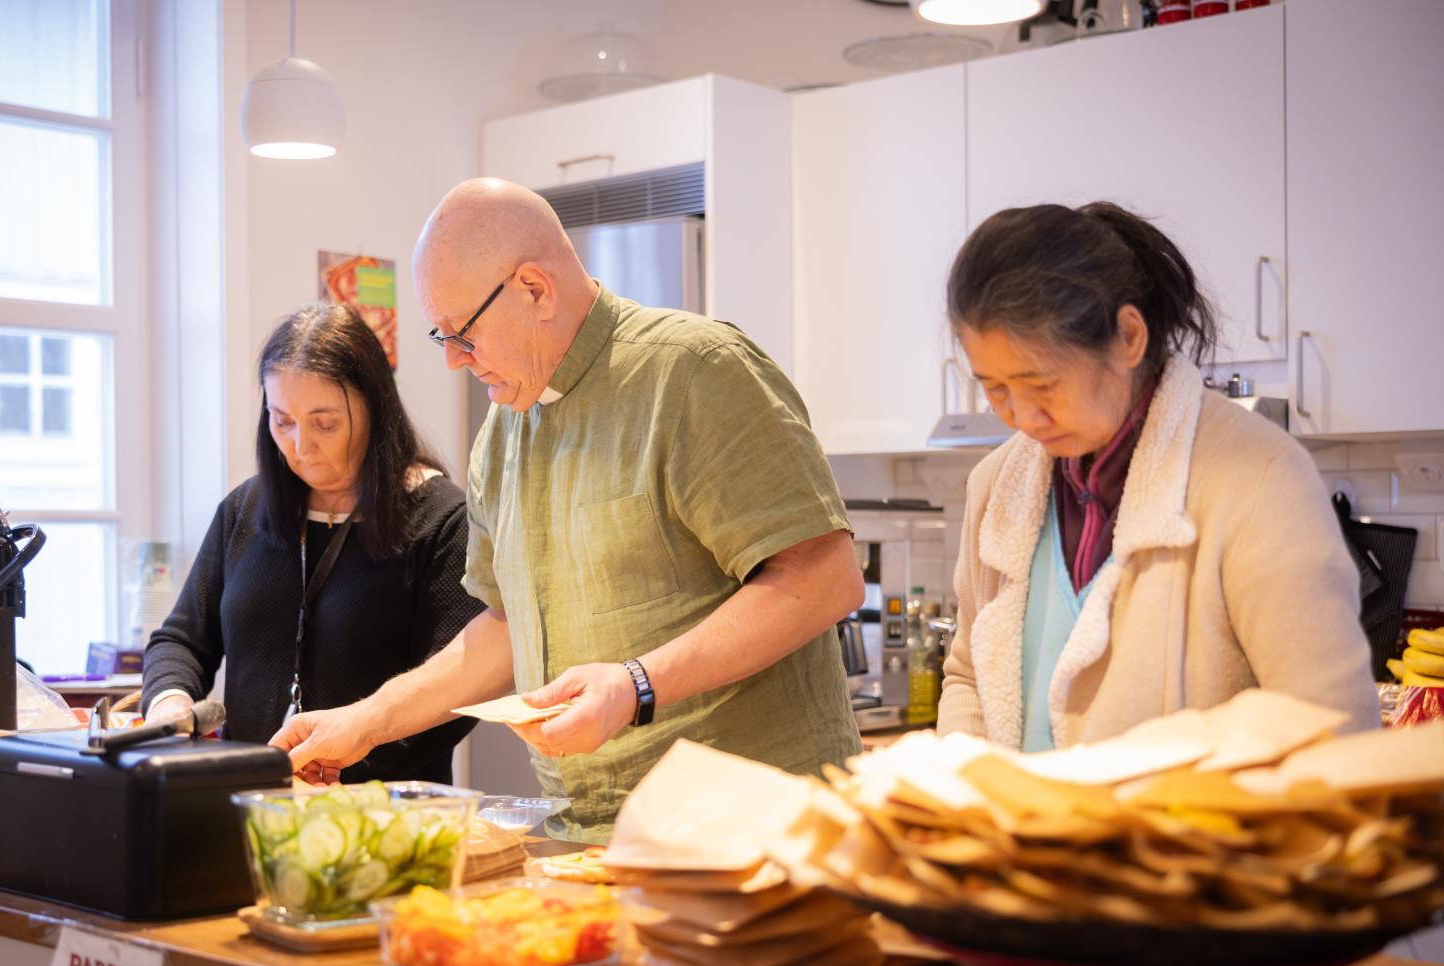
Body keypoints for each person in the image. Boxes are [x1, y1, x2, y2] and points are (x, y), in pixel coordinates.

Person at [270, 178, 864, 840]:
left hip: (753, 826)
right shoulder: (503, 435)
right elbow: (503, 626)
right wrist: (366, 721)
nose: (454, 362)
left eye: (463, 333)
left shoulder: (696, 371)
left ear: (534, 289)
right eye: (443, 337)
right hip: (586, 837)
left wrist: (636, 684)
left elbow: (823, 578)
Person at [937, 201, 1379, 750]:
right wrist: (967, 793)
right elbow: (969, 679)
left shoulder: (1259, 479)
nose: (1023, 419)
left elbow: (1332, 729)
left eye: (1043, 385)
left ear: (1128, 337)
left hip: (1194, 837)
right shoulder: (994, 487)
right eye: (995, 388)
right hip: (1014, 837)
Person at [143, 303, 481, 783]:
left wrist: (341, 759)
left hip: (381, 814)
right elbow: (181, 640)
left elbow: (456, 694)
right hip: (256, 804)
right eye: (282, 421)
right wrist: (170, 703)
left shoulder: (440, 519)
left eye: (324, 423)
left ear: (374, 410)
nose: (301, 446)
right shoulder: (245, 509)